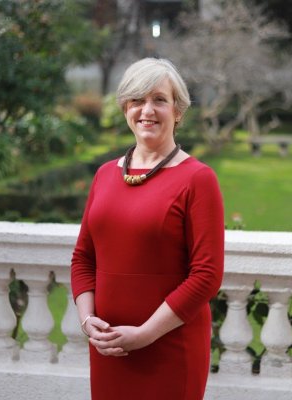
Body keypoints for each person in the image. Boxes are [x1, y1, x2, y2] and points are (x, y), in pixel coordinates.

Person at [70, 57, 225, 400]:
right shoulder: (105, 175)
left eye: (159, 99)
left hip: (169, 349)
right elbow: (83, 257)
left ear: (178, 110)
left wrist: (144, 334)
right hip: (110, 348)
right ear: (125, 107)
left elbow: (206, 275)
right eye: (137, 100)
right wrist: (87, 320)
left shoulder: (198, 179)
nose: (147, 110)